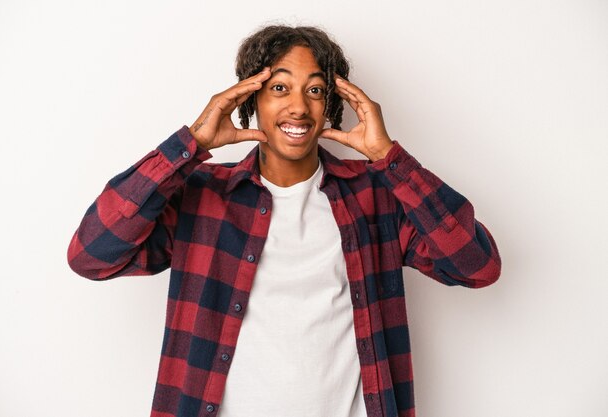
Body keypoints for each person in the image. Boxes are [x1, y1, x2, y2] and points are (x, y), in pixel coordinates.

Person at [68, 25, 501, 417]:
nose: (298, 107)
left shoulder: (375, 196)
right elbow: (91, 255)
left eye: (315, 91)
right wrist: (191, 144)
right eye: (279, 87)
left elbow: (477, 266)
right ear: (250, 98)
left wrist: (391, 160)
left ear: (331, 103)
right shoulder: (202, 197)